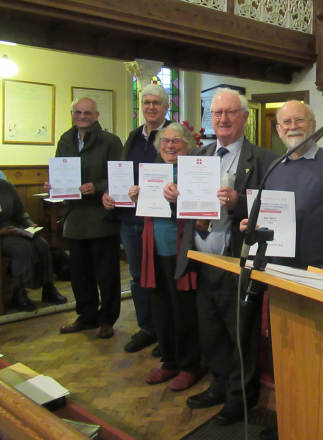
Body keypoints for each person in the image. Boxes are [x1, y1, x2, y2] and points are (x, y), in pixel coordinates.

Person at [164, 89, 278, 426]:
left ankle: (241, 396)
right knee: (211, 332)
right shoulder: (198, 154)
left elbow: (271, 209)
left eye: (230, 113)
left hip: (237, 262)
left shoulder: (264, 160)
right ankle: (219, 385)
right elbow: (187, 206)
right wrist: (173, 196)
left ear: (244, 117)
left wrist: (238, 202)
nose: (223, 119)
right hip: (203, 260)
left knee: (239, 333)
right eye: (217, 114)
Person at [128, 122, 202, 391]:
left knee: (183, 309)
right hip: (154, 246)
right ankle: (169, 360)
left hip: (181, 248)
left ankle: (190, 364)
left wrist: (178, 200)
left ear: (187, 146)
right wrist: (138, 195)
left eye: (176, 142)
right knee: (160, 306)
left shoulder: (194, 171)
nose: (169, 146)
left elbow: (200, 207)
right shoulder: (153, 171)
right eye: (165, 141)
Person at [103, 82, 171, 354]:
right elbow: (123, 173)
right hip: (130, 220)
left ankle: (165, 329)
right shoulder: (133, 136)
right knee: (137, 276)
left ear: (166, 107)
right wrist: (110, 192)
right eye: (146, 103)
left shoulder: (172, 136)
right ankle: (147, 328)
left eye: (156, 103)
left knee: (162, 276)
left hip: (159, 220)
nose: (150, 107)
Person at [50, 97, 123, 339]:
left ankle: (107, 320)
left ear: (97, 115)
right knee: (79, 273)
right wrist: (55, 184)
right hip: (75, 217)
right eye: (78, 112)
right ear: (72, 114)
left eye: (88, 113)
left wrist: (98, 186)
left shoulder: (111, 142)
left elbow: (120, 177)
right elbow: (61, 170)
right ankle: (87, 316)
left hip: (102, 218)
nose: (83, 116)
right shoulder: (65, 140)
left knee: (107, 274)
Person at [264, 100, 323, 271]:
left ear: (313, 126)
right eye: (286, 122)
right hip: (278, 272)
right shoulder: (274, 168)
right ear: (278, 130)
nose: (293, 127)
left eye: (299, 120)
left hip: (319, 271)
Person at [0, 177, 67, 311]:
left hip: (14, 229)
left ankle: (48, 288)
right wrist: (0, 232)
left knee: (42, 244)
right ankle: (19, 293)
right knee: (21, 248)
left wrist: (30, 224)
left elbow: (20, 212)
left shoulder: (4, 185)